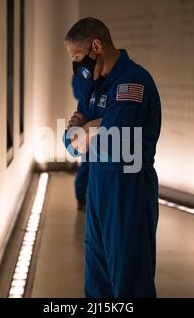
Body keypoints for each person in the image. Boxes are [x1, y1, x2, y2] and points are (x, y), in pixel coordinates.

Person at [64, 18, 161, 298]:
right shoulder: (94, 87)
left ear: (97, 46)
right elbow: (70, 142)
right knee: (97, 278)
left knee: (131, 279)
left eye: (78, 58)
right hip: (98, 187)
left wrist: (89, 128)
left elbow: (119, 140)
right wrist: (93, 127)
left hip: (128, 189)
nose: (76, 67)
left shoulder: (133, 81)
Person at [71, 75, 91, 210]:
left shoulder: (80, 75)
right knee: (86, 163)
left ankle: (82, 198)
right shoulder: (82, 75)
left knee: (87, 163)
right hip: (87, 123)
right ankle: (81, 198)